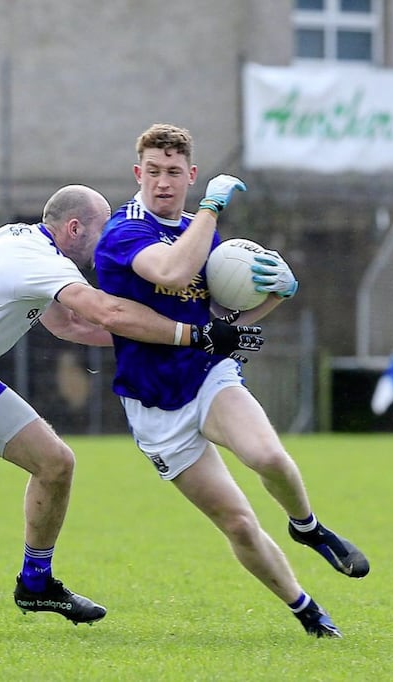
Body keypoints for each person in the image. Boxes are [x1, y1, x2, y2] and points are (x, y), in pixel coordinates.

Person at [0, 182, 263, 628]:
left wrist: (183, 338)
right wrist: (194, 335)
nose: (111, 240)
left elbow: (72, 326)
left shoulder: (23, 241)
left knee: (56, 463)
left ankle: (36, 584)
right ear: (73, 228)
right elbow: (107, 313)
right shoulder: (36, 261)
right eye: (104, 229)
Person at [93, 123, 369, 639]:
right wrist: (212, 207)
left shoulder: (203, 233)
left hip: (206, 377)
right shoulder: (123, 232)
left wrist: (276, 295)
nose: (163, 183)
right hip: (155, 408)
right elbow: (173, 274)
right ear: (138, 174)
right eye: (153, 172)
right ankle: (307, 610)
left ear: (190, 174)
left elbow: (222, 326)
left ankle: (307, 527)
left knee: (268, 457)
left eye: (174, 172)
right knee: (238, 523)